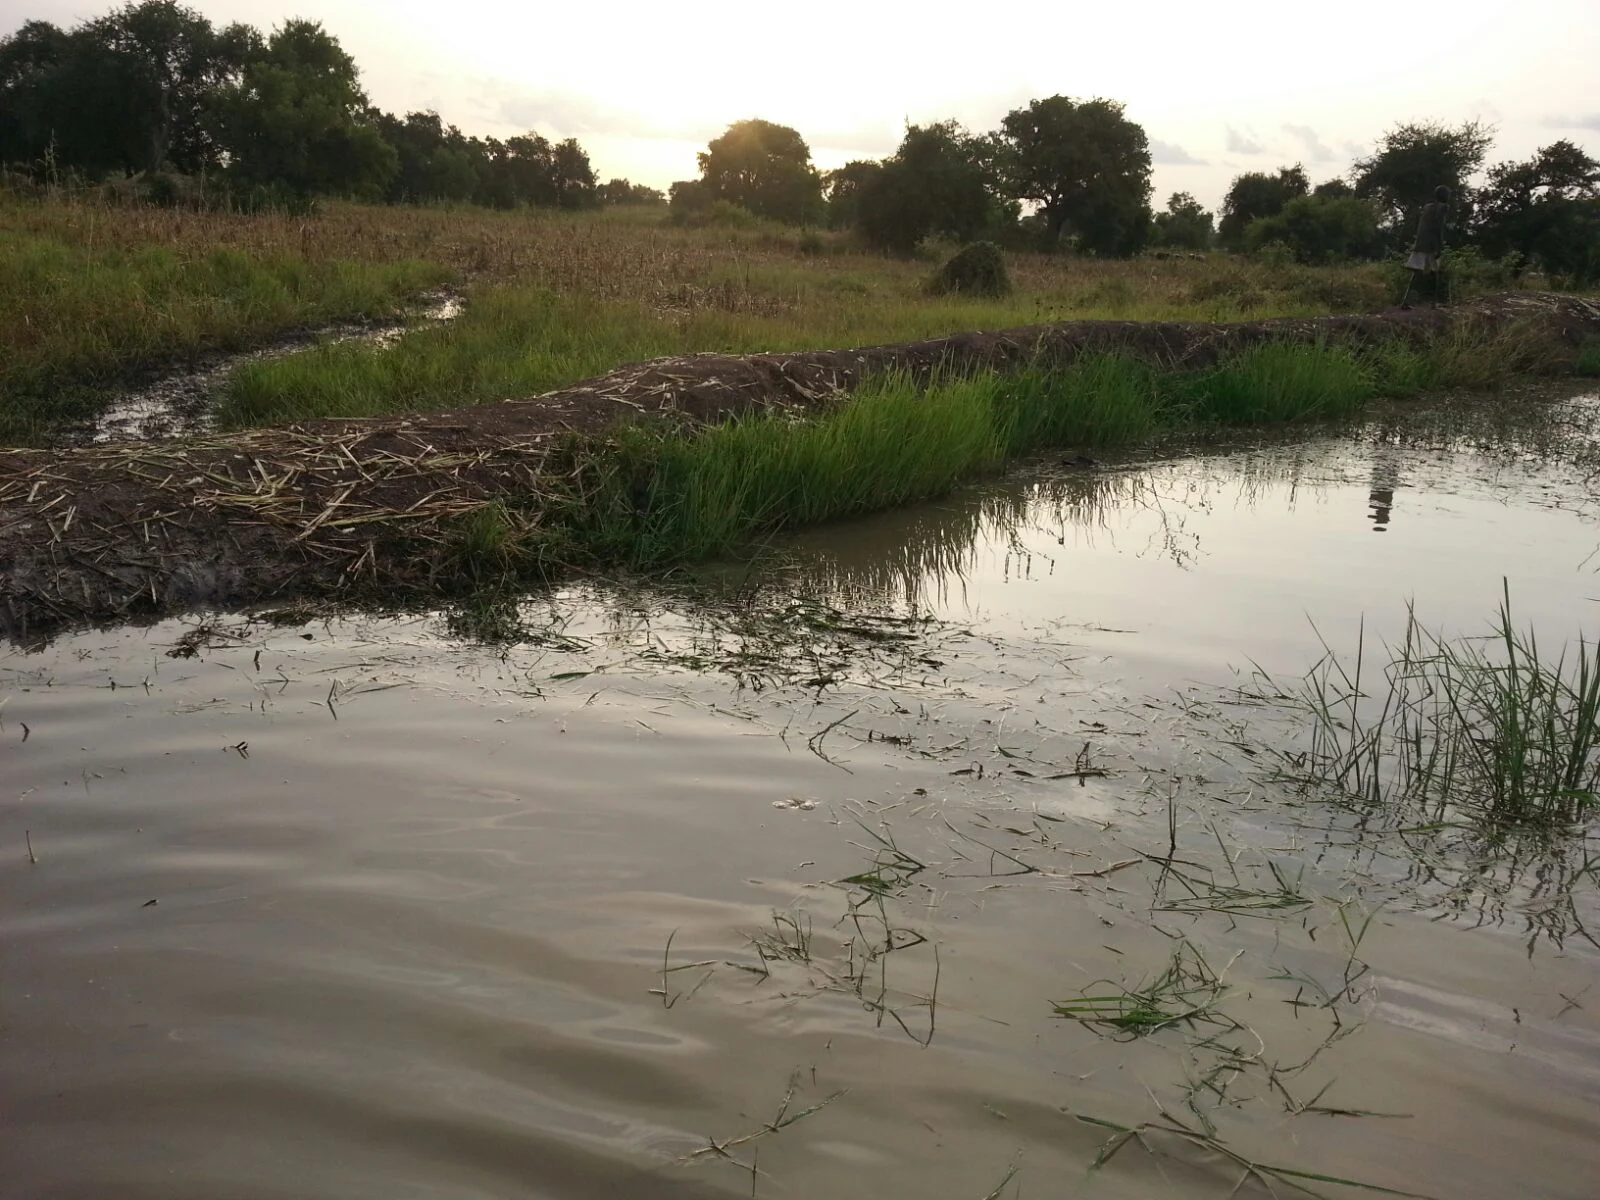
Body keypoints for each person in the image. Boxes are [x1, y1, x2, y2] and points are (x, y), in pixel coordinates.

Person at [1400, 186, 1451, 308]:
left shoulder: (1427, 207)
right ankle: (1434, 303)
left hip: (1420, 243)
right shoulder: (1443, 208)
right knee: (1435, 273)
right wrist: (1439, 246)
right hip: (1431, 245)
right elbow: (1439, 228)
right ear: (1444, 196)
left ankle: (1405, 301)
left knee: (1417, 273)